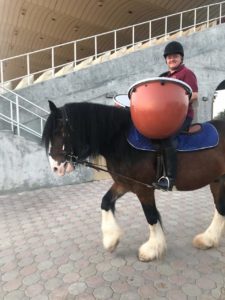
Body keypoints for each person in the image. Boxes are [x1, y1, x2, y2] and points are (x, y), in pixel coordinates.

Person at [152, 41, 198, 191]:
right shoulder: (164, 76)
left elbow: (195, 94)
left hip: (182, 116)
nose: (172, 59)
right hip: (165, 118)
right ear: (166, 60)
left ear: (181, 58)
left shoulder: (187, 73)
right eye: (169, 57)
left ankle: (170, 179)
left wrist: (175, 102)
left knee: (168, 138)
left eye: (175, 56)